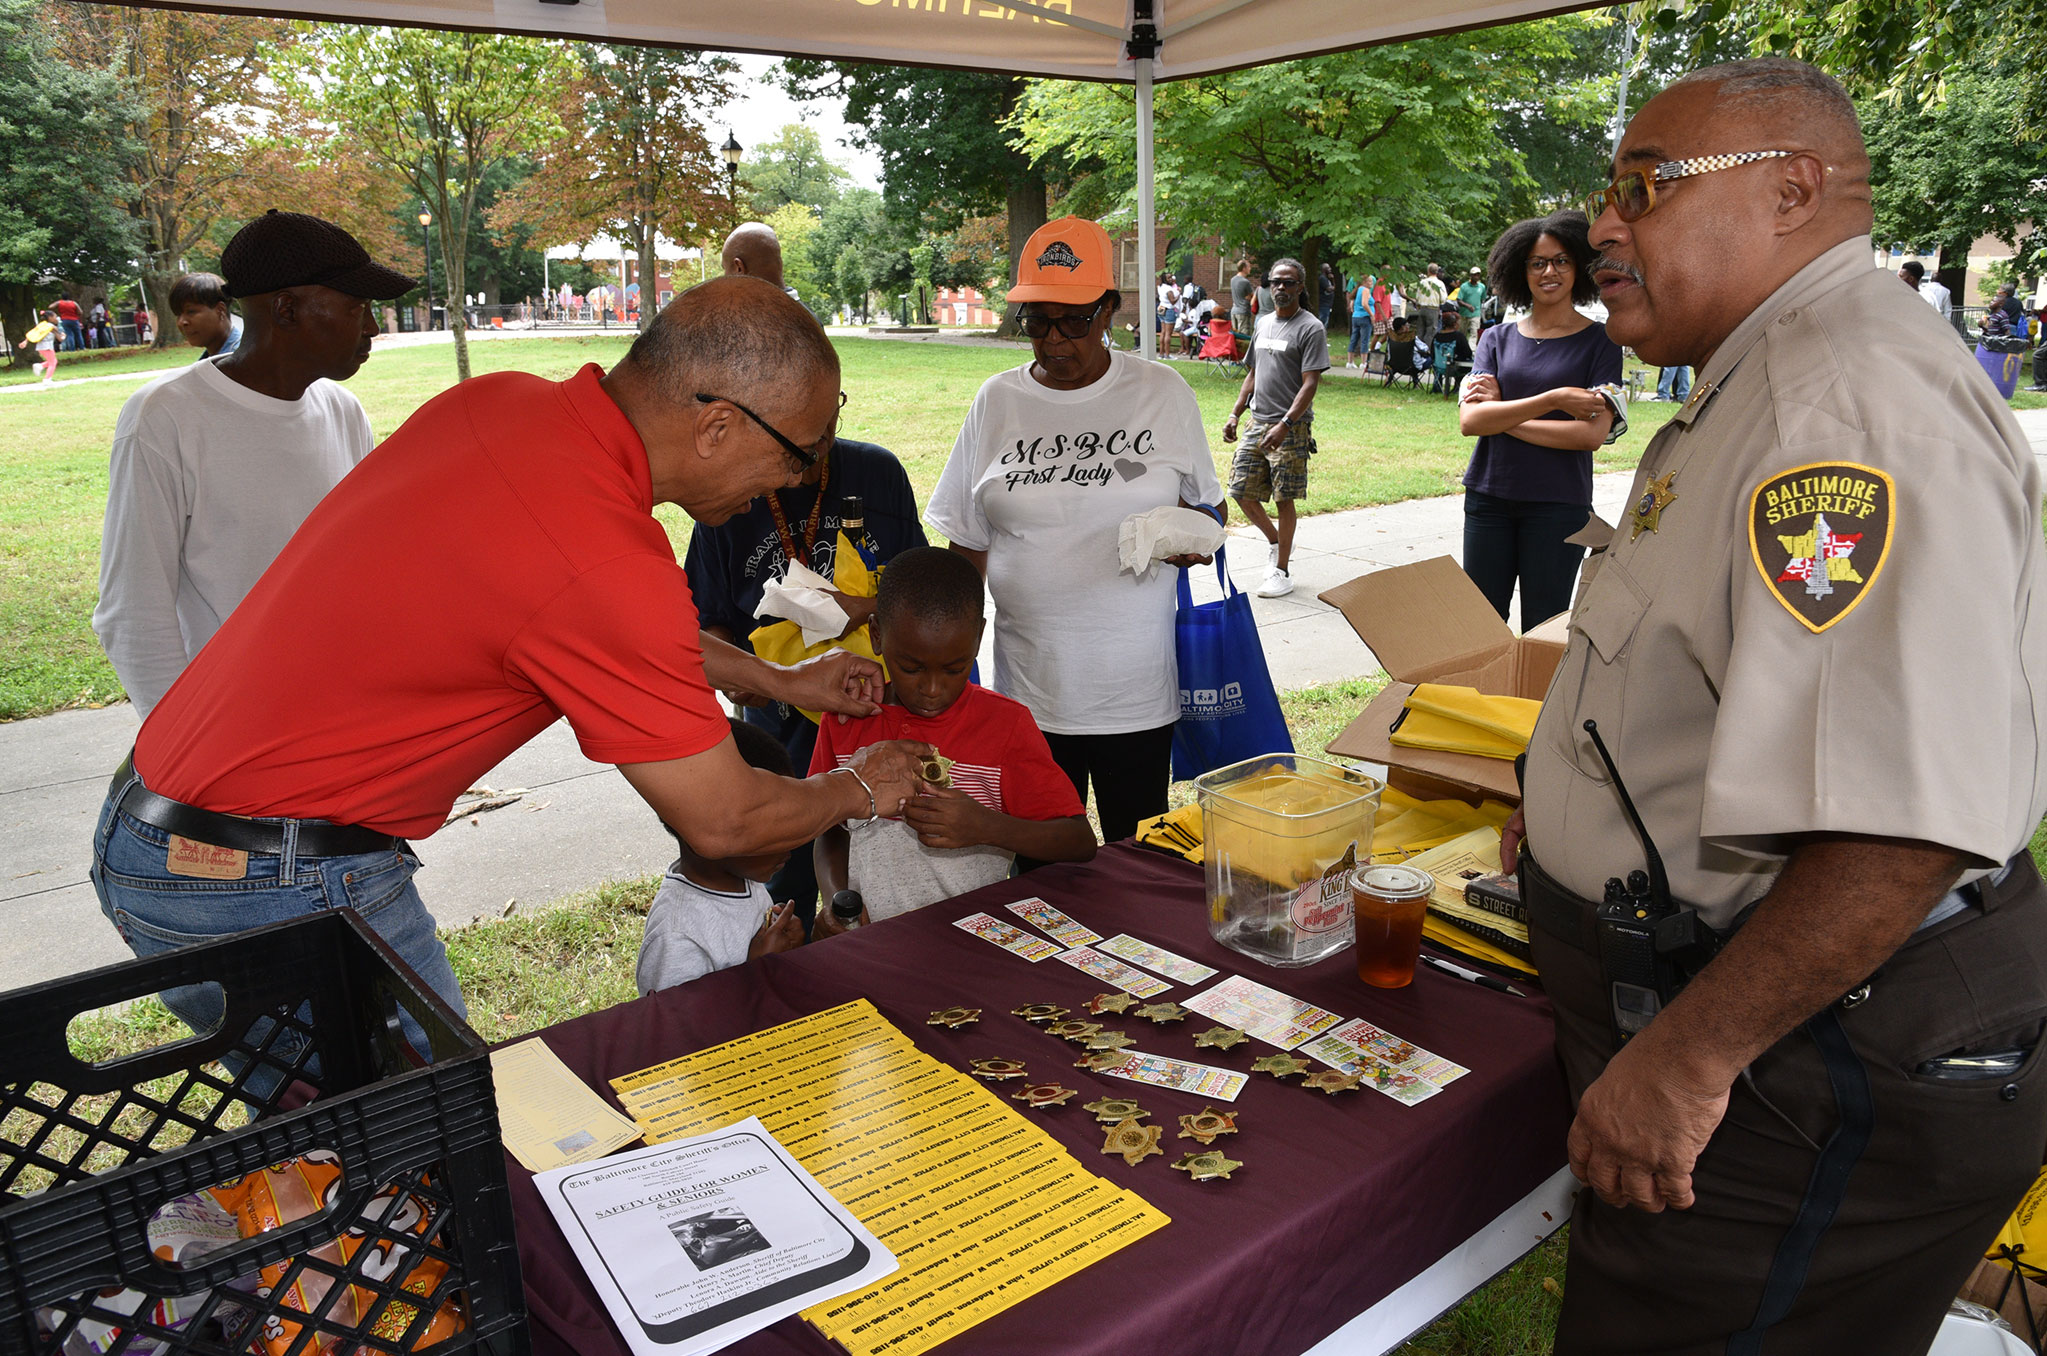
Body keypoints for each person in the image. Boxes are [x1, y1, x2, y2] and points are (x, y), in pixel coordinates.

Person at [1498, 57, 2047, 1354]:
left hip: (1798, 1057)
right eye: (1603, 191)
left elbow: (1894, 827)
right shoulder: (1765, 376)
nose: (1601, 227)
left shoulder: (1836, 414)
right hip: (1760, 1018)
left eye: (1643, 185)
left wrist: (1687, 1063)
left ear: (1791, 191)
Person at [90, 274, 929, 1059]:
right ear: (717, 427)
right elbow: (728, 822)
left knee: (335, 1140)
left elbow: (585, 618)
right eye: (798, 454)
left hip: (165, 827)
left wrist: (778, 683)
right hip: (263, 881)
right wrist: (862, 785)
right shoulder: (602, 562)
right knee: (434, 1160)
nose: (796, 480)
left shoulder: (500, 403)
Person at [927, 216, 1225, 847]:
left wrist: (1190, 539)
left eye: (1074, 320)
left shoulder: (1162, 392)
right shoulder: (997, 401)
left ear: (1110, 309)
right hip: (1026, 698)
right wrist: (951, 668)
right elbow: (965, 544)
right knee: (1038, 871)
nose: (1054, 340)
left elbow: (1210, 510)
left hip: (1134, 694)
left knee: (1131, 863)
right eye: (1037, 320)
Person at [687, 222, 928, 930]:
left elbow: (921, 596)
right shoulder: (726, 502)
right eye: (801, 432)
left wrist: (863, 608)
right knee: (786, 898)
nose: (818, 444)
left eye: (829, 420)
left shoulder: (877, 472)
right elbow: (701, 623)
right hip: (780, 737)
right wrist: (738, 673)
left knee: (879, 888)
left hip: (881, 721)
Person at [93, 212, 411, 721]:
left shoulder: (343, 411)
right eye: (356, 308)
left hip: (344, 710)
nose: (372, 327)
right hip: (235, 724)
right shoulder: (165, 418)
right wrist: (185, 739)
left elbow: (366, 566)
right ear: (286, 310)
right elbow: (132, 609)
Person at [811, 548, 1095, 931]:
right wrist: (836, 900)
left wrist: (987, 827)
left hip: (979, 942)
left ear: (978, 636)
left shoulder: (1005, 725)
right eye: (911, 668)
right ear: (877, 635)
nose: (931, 689)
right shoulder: (846, 720)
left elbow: (1078, 840)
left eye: (954, 668)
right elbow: (827, 829)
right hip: (875, 942)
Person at [1456, 210, 1623, 630]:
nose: (1549, 271)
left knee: (1544, 624)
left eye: (1561, 260)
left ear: (1580, 267)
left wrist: (1504, 413)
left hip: (1558, 505)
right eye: (1537, 262)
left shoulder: (1602, 343)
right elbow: (1471, 422)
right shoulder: (1495, 339)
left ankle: (1539, 701)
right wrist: (1554, 398)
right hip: (1488, 500)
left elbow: (1590, 434)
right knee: (1480, 625)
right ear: (1521, 270)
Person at [636, 718, 806, 994]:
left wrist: (782, 947)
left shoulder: (742, 876)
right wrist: (756, 970)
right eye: (773, 823)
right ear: (708, 827)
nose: (789, 837)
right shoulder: (677, 938)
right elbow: (678, 1030)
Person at [1224, 256, 1329, 599]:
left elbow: (1310, 383)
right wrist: (1235, 414)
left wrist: (1286, 424)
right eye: (1275, 282)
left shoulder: (1310, 327)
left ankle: (1281, 571)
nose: (1280, 288)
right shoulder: (1264, 323)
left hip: (1291, 427)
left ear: (1300, 287)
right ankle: (1276, 542)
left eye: (1288, 282)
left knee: (1285, 498)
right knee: (1240, 489)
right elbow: (1253, 374)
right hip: (1258, 421)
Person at [169, 273, 242, 358]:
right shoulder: (213, 360)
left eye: (191, 312)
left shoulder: (242, 361)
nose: (181, 322)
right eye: (178, 314)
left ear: (220, 310)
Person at [17, 309, 58, 384]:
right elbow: (58, 334)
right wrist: (61, 335)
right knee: (52, 363)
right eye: (55, 316)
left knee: (53, 361)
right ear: (50, 317)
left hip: (40, 347)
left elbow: (32, 333)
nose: (56, 318)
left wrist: (25, 341)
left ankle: (40, 366)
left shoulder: (41, 325)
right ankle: (47, 379)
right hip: (47, 346)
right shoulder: (50, 326)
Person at [1414, 264, 1449, 348]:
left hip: (1422, 308)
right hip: (1433, 309)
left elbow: (1417, 297)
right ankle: (1427, 350)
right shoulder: (1440, 284)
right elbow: (1443, 299)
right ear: (1437, 272)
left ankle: (1418, 350)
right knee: (1430, 332)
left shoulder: (1422, 282)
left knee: (1420, 331)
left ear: (1428, 271)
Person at [1456, 267, 1487, 339]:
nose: (1476, 276)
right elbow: (1459, 300)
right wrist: (1468, 306)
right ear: (1471, 275)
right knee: (1462, 334)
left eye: (1478, 275)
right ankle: (1462, 348)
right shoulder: (1464, 286)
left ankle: (1472, 349)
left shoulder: (1482, 287)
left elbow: (1483, 298)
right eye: (1474, 275)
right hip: (1464, 314)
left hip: (1476, 314)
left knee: (1474, 333)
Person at [1345, 277, 1370, 368]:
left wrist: (1353, 309)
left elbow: (1352, 304)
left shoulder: (1357, 291)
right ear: (1365, 282)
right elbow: (1364, 303)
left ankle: (1350, 362)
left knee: (1354, 339)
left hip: (1355, 317)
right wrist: (1371, 314)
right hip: (1364, 317)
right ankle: (1364, 363)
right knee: (1364, 340)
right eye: (1370, 281)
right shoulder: (1365, 291)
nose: (1372, 283)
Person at [1229, 258, 1255, 335]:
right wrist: (1249, 297)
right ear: (1244, 268)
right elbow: (1253, 296)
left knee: (1235, 337)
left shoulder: (1232, 280)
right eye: (1249, 267)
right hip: (1243, 311)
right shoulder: (1245, 282)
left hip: (1234, 311)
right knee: (1244, 337)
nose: (1250, 268)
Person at [1155, 272, 1179, 354]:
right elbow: (1172, 301)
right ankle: (1167, 354)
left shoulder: (1160, 287)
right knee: (1168, 334)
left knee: (1163, 332)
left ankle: (1161, 353)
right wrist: (1179, 294)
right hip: (1169, 310)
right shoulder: (1169, 289)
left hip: (1161, 309)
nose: (1171, 279)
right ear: (1165, 279)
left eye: (1171, 277)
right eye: (1169, 278)